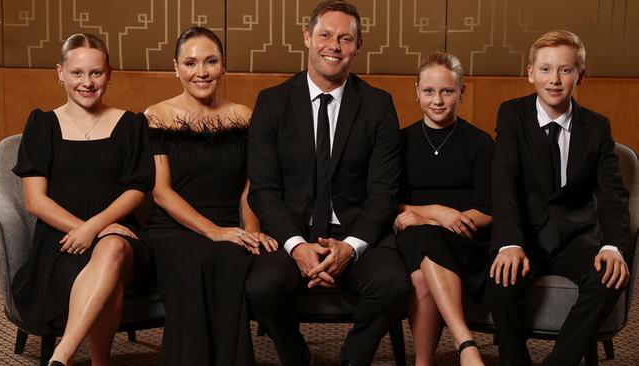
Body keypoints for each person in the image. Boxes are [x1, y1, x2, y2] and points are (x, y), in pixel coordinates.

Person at [245, 1, 410, 365]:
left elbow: (384, 191)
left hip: (354, 231)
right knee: (261, 288)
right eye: (324, 35)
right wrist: (297, 246)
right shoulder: (272, 103)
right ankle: (297, 357)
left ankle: (352, 360)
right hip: (292, 231)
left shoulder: (378, 105)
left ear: (357, 47)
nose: (333, 46)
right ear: (307, 37)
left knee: (394, 284)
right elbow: (263, 190)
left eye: (345, 38)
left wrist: (350, 247)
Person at [486, 29, 630, 366]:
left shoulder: (597, 127)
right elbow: (503, 181)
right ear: (530, 73)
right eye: (546, 69)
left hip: (575, 237)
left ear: (581, 75)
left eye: (565, 70)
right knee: (500, 283)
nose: (555, 79)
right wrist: (508, 243)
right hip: (526, 236)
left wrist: (613, 247)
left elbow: (613, 194)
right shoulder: (512, 116)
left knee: (609, 279)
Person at [10, 33, 155, 366]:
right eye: (77, 73)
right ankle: (99, 363)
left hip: (121, 234)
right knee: (110, 280)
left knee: (115, 247)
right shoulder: (42, 125)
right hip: (61, 241)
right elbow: (35, 201)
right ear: (60, 73)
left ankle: (62, 356)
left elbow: (138, 188)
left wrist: (99, 228)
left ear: (110, 74)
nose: (87, 83)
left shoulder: (131, 124)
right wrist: (86, 230)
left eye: (96, 73)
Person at [143, 26, 277, 366]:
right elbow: (161, 191)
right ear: (176, 67)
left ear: (224, 66)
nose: (201, 72)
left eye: (210, 61)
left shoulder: (245, 116)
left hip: (230, 224)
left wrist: (249, 229)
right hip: (172, 227)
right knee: (201, 256)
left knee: (233, 257)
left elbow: (251, 185)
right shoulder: (156, 116)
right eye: (190, 63)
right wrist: (213, 231)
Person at [396, 51, 492, 366]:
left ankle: (441, 354)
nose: (437, 100)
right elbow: (386, 202)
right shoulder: (400, 141)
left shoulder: (479, 143)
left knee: (427, 247)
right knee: (423, 243)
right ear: (417, 92)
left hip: (466, 237)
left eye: (447, 91)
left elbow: (488, 210)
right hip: (412, 232)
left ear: (461, 92)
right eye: (429, 91)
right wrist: (434, 212)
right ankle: (464, 344)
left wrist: (448, 222)